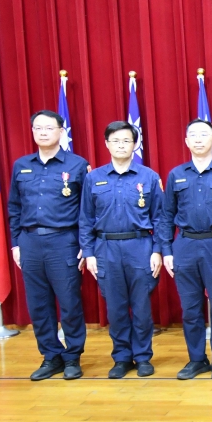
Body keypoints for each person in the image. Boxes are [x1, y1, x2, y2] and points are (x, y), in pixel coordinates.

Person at [159, 119, 212, 380]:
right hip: (184, 245)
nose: (198, 139)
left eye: (204, 135)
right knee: (190, 308)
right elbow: (166, 216)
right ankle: (197, 359)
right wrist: (167, 251)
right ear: (186, 141)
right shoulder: (176, 174)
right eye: (193, 135)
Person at [8, 110, 90, 381]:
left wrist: (84, 244)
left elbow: (87, 210)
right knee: (38, 304)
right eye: (38, 128)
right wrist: (16, 243)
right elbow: (14, 207)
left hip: (64, 241)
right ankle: (50, 356)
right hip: (29, 241)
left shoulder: (78, 165)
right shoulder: (21, 165)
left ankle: (73, 357)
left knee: (69, 302)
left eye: (49, 128)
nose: (43, 132)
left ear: (61, 132)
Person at [80, 121, 163, 379]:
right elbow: (85, 218)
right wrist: (89, 253)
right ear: (106, 144)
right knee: (115, 308)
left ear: (135, 144)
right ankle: (121, 358)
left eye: (126, 140)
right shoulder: (93, 178)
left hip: (140, 246)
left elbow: (160, 218)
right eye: (115, 140)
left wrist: (157, 251)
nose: (121, 145)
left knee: (141, 308)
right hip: (106, 248)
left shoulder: (149, 177)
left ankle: (143, 356)